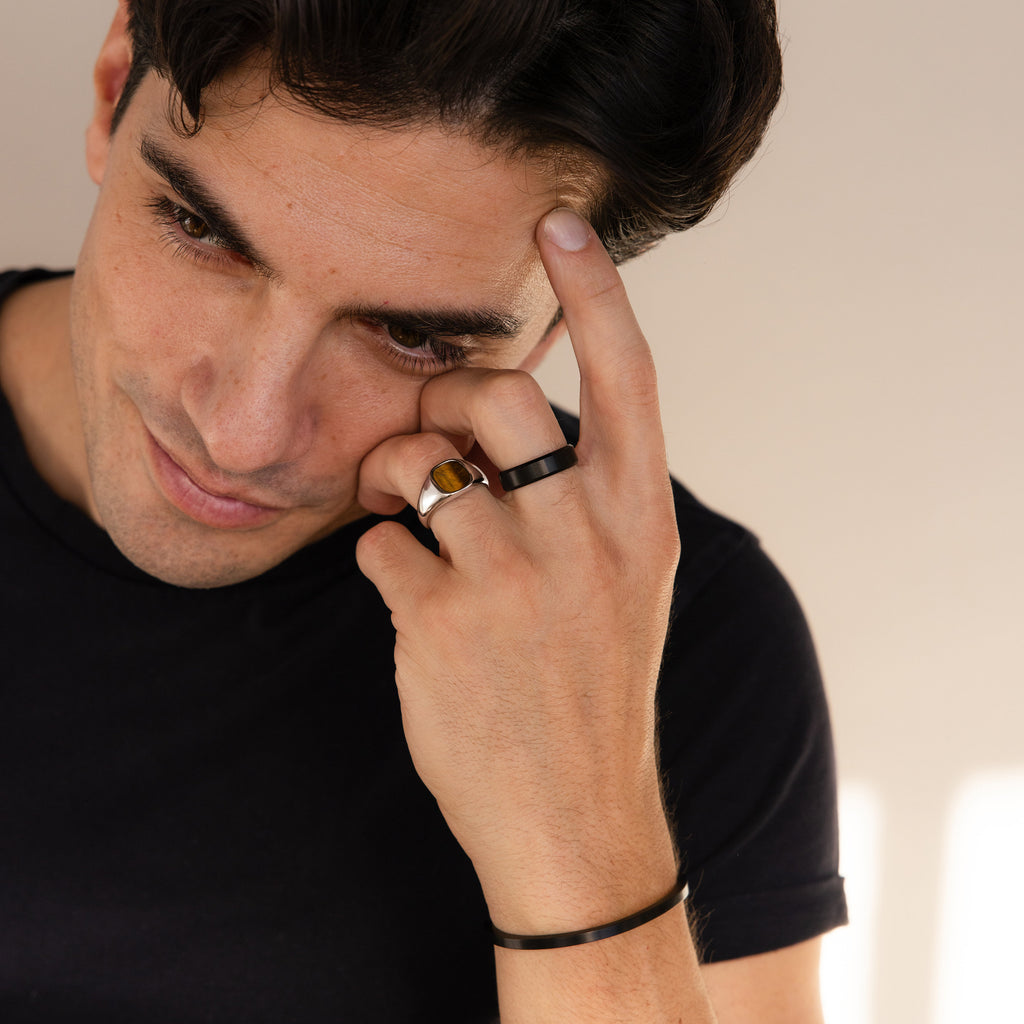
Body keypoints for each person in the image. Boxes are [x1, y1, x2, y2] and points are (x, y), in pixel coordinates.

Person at [0, 1, 847, 1020]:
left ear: (545, 335)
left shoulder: (681, 640)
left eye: (409, 335)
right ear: (111, 88)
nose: (243, 432)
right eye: (200, 231)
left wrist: (584, 845)